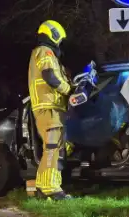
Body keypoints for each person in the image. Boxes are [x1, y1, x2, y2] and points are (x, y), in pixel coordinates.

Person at [28, 20, 73, 200]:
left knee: (54, 147)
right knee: (53, 148)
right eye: (59, 39)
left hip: (49, 107)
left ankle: (43, 185)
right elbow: (50, 77)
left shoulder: (45, 54)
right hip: (48, 107)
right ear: (53, 34)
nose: (59, 43)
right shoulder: (45, 52)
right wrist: (68, 89)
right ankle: (51, 189)